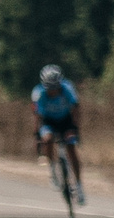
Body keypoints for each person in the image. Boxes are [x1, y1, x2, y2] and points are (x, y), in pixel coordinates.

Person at [30, 65, 84, 202]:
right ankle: (53, 170)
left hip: (66, 121)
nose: (53, 91)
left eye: (56, 87)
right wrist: (37, 135)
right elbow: (36, 116)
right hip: (48, 122)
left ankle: (78, 186)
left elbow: (76, 108)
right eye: (49, 87)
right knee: (47, 139)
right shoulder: (38, 93)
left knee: (71, 148)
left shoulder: (67, 88)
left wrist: (75, 128)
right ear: (44, 85)